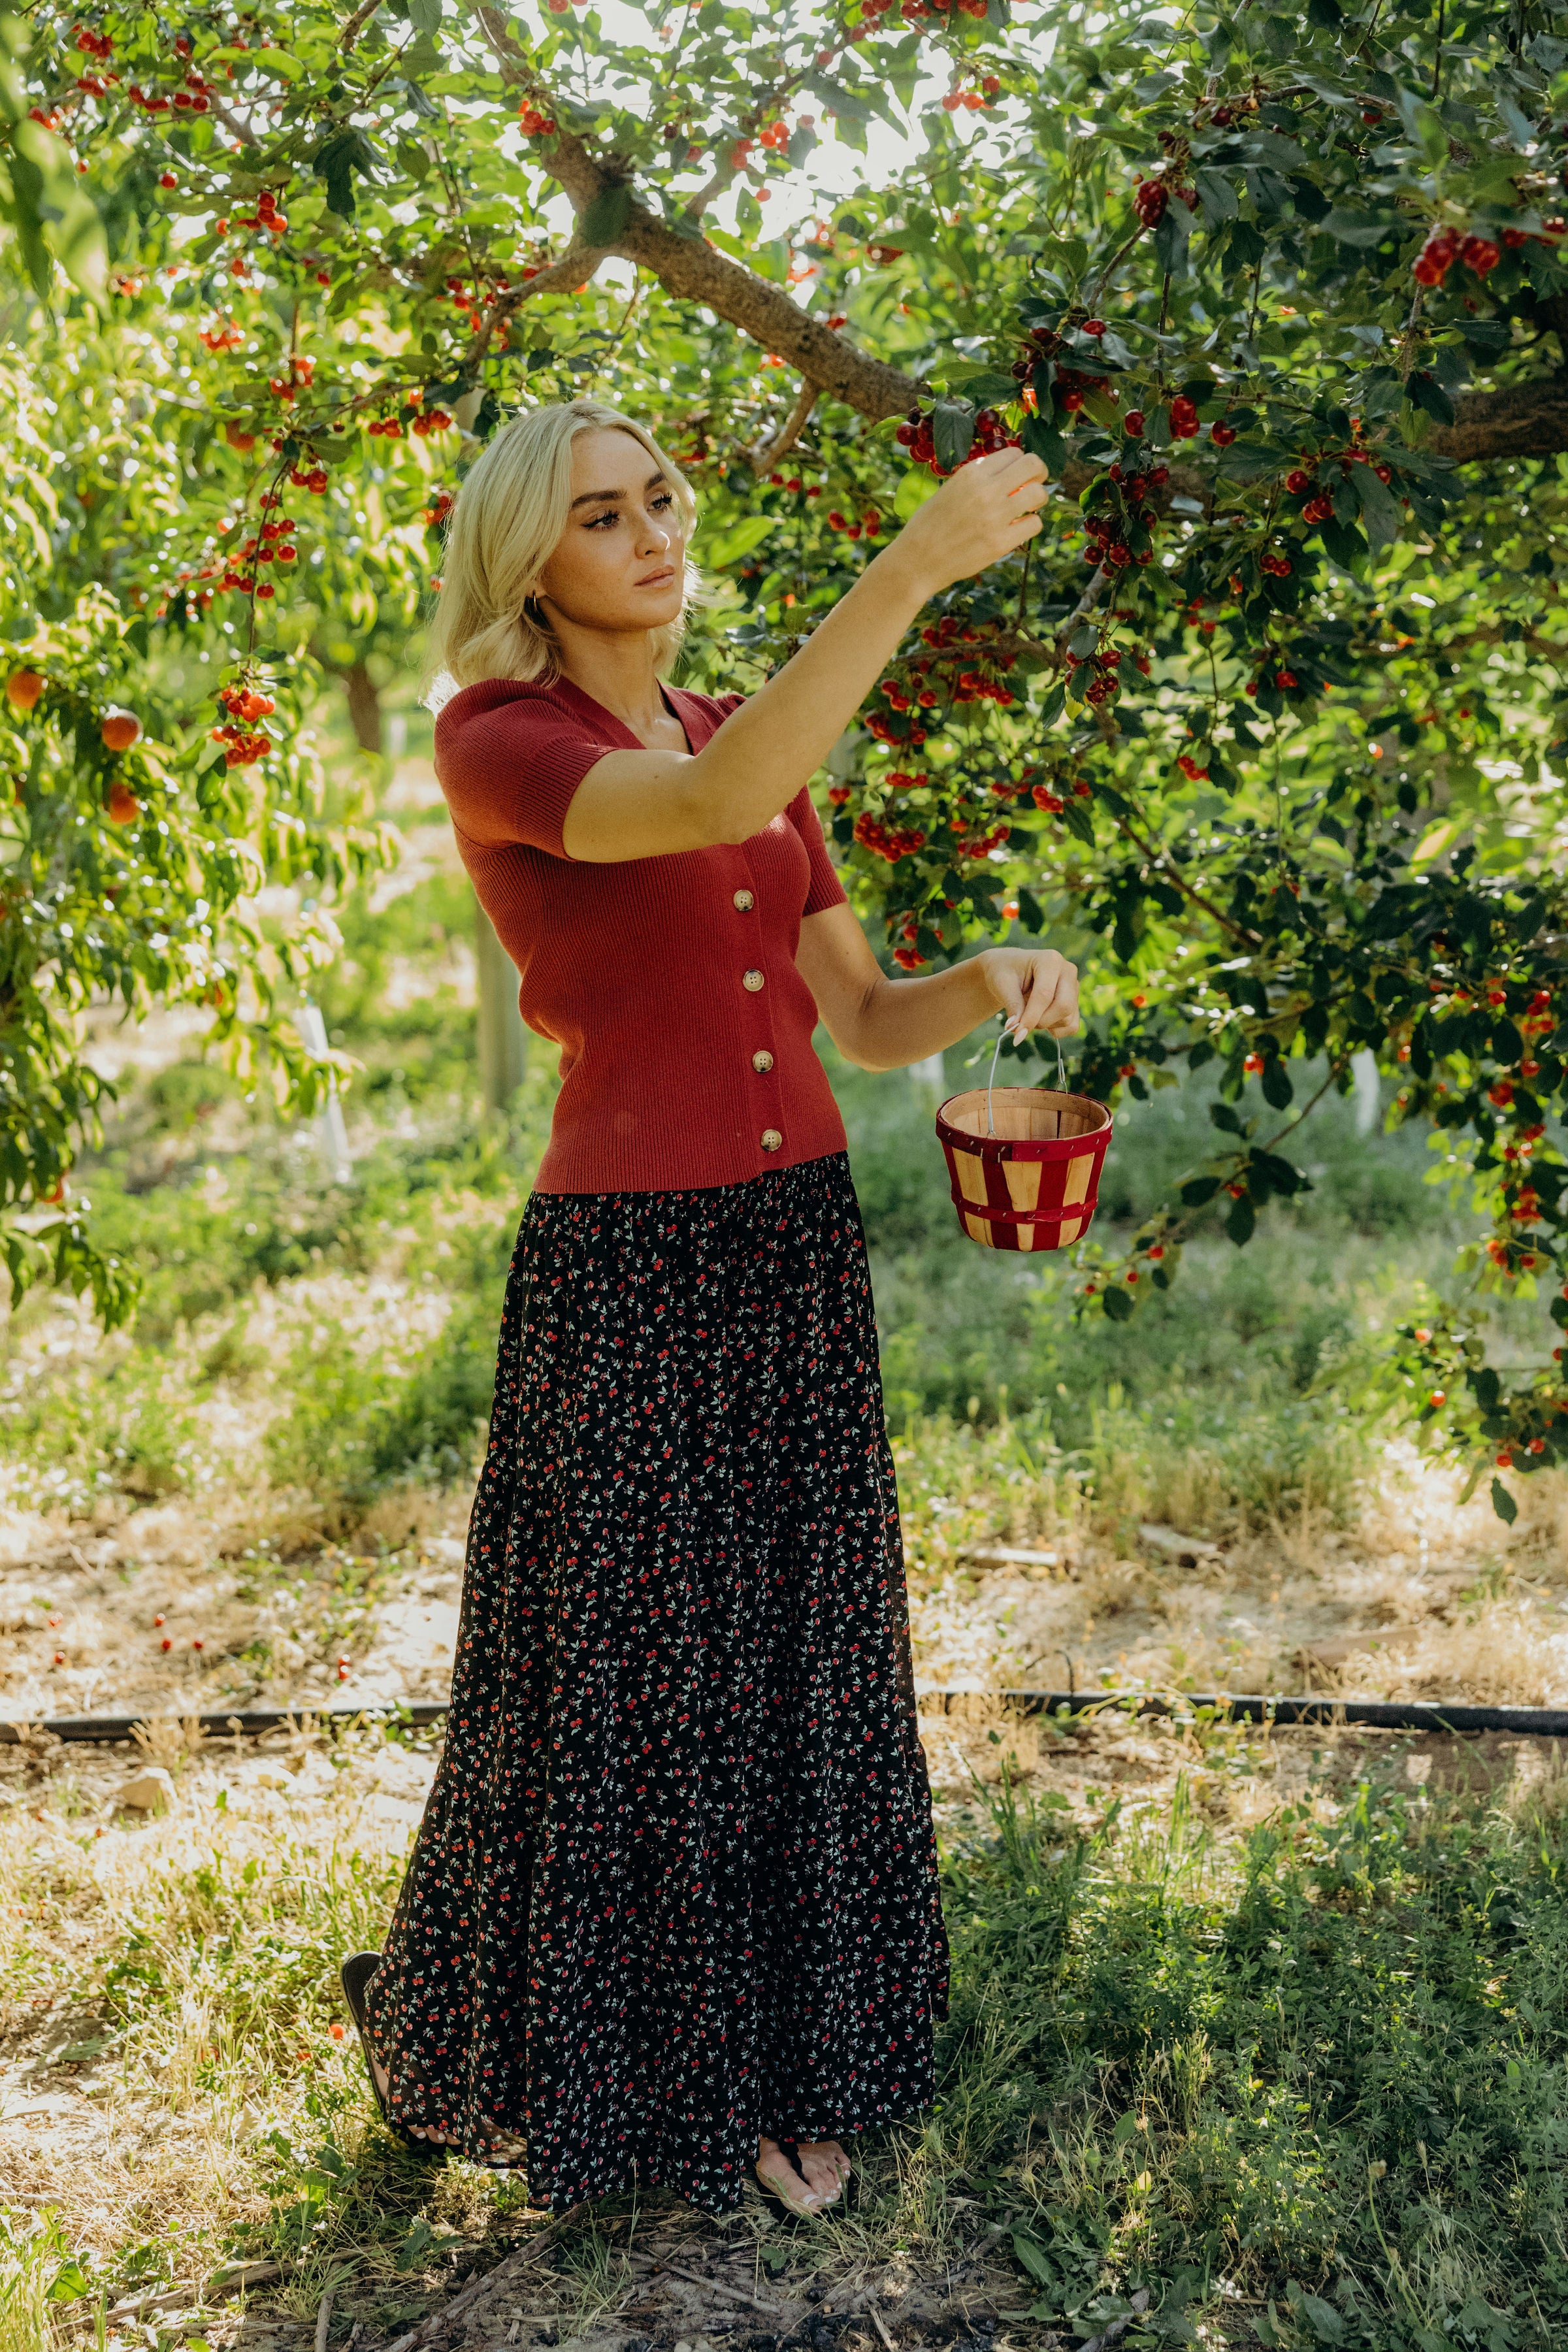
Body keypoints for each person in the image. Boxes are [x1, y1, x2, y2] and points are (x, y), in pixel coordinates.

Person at [342, 396, 1079, 2223]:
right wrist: (912, 564)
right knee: (647, 1690)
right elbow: (715, 803)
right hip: (635, 1267)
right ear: (532, 558)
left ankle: (804, 2058)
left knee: (799, 1665)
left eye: (663, 497)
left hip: (793, 1249)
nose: (655, 535)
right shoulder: (501, 742)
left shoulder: (729, 732)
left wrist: (980, 973)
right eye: (604, 515)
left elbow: (865, 1016)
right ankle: (670, 2087)